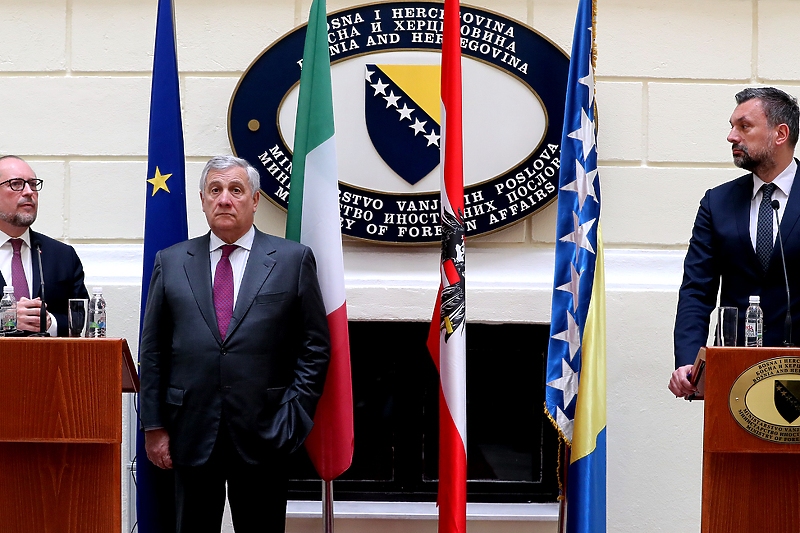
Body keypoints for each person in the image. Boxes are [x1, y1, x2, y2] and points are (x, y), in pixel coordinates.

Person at [140, 155, 330, 532]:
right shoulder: (172, 261)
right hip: (188, 432)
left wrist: (293, 418)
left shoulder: (292, 260)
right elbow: (154, 350)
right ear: (203, 199)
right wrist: (154, 426)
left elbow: (315, 347)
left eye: (236, 190)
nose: (224, 199)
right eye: (215, 190)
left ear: (255, 200)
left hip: (266, 432)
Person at [669, 87, 800, 398]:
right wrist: (689, 362)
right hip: (735, 378)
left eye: (744, 126)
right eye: (731, 126)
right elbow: (696, 291)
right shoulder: (718, 202)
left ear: (780, 134)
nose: (731, 136)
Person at [0, 155, 89, 335]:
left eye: (33, 184)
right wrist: (6, 319)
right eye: (16, 184)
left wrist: (50, 323)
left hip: (49, 361)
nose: (28, 192)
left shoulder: (62, 255)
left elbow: (81, 318)